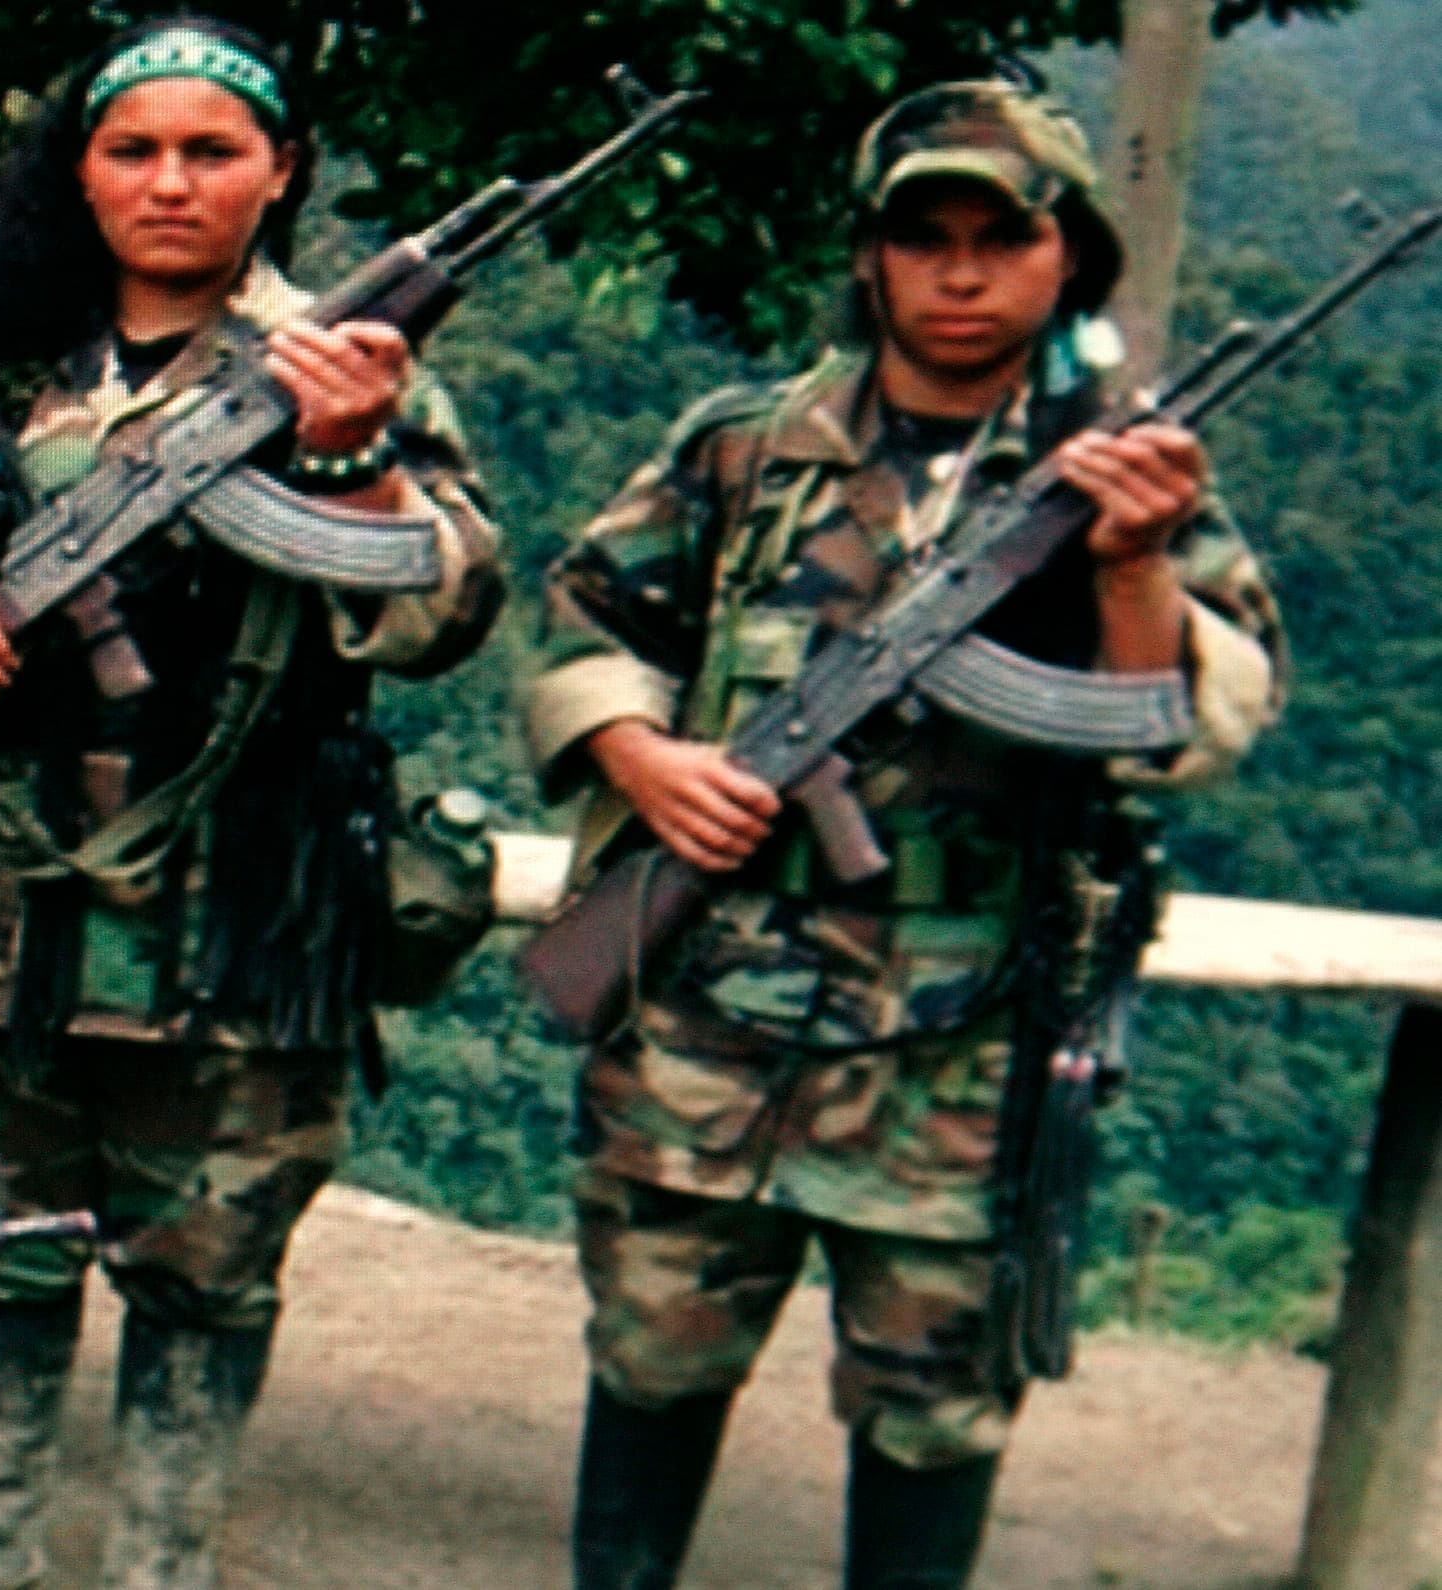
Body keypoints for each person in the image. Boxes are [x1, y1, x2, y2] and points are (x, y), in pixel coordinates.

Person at [527, 80, 1286, 1590]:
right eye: (918, 236)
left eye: (998, 239)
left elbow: (1187, 731)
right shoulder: (741, 450)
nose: (957, 272)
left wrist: (1129, 559)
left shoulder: (1121, 476)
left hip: (965, 1048)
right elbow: (585, 621)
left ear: (1066, 257)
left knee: (930, 1420)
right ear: (866, 257)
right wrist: (644, 757)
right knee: (651, 1362)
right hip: (704, 1023)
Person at [0, 18, 504, 1587]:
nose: (169, 183)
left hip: (240, 918)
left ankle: (161, 1561)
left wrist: (356, 461)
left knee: (208, 1275)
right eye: (133, 149)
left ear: (280, 173)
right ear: (83, 169)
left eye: (211, 151)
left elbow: (445, 607)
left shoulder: (346, 364)